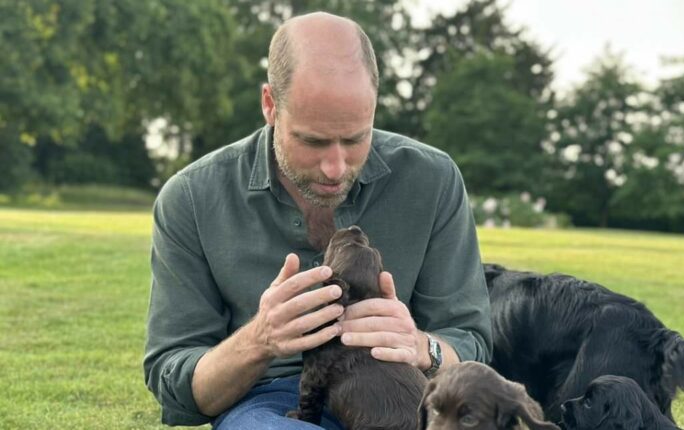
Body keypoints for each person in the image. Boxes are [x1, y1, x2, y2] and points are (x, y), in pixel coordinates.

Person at [144, 12, 491, 429]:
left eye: (355, 138)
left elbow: (470, 340)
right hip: (272, 405)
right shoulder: (191, 199)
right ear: (270, 105)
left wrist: (422, 347)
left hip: (401, 402)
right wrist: (259, 341)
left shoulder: (432, 179)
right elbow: (176, 384)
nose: (335, 166)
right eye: (313, 141)